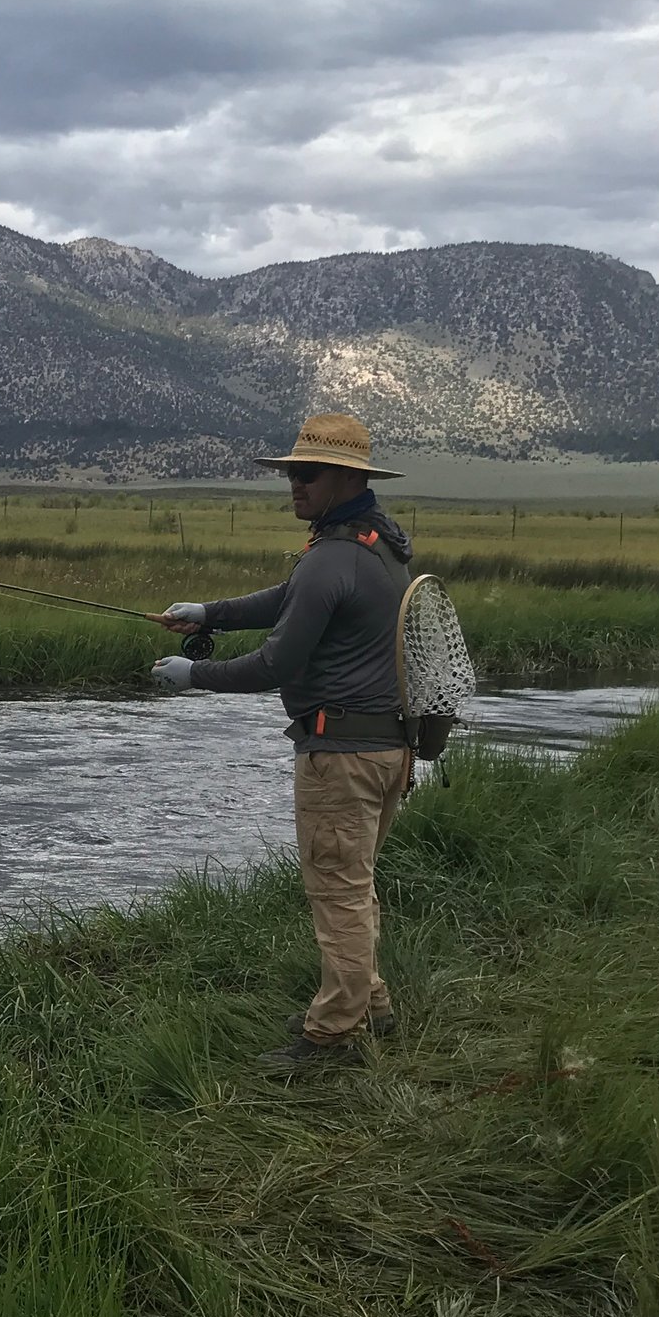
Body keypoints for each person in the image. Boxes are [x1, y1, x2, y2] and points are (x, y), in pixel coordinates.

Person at [150, 412, 414, 1074]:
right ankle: (369, 1003)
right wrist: (211, 613)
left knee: (338, 892)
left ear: (346, 477)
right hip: (388, 749)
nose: (293, 485)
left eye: (307, 474)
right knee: (353, 884)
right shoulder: (375, 542)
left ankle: (334, 1035)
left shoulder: (333, 556)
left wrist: (195, 676)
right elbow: (291, 597)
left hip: (341, 757)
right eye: (291, 473)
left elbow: (276, 664)